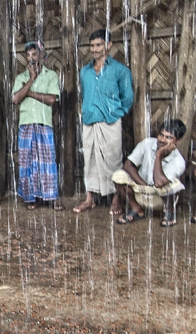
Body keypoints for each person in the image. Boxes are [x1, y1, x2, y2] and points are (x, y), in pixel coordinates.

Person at [73, 29, 134, 214]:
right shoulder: (85, 72)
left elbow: (128, 98)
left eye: (99, 45)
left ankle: (116, 198)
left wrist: (116, 113)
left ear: (108, 45)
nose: (95, 49)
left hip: (110, 122)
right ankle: (89, 199)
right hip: (90, 121)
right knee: (89, 160)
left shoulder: (120, 70)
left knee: (113, 158)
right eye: (92, 45)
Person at [12, 41, 64, 211]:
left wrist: (29, 92)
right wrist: (31, 80)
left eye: (34, 54)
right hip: (26, 125)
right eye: (28, 55)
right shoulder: (21, 77)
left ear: (42, 55)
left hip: (43, 124)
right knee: (27, 162)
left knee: (47, 162)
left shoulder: (51, 76)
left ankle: (52, 196)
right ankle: (32, 197)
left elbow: (51, 100)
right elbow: (15, 99)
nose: (31, 58)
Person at [111, 119, 186, 227]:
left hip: (160, 200)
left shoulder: (179, 161)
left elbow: (159, 183)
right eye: (161, 135)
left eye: (168, 137)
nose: (163, 140)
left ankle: (169, 212)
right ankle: (136, 209)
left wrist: (158, 155)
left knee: (174, 185)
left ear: (177, 141)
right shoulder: (147, 143)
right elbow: (128, 165)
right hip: (140, 193)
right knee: (118, 175)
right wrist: (144, 186)